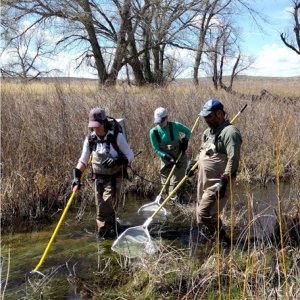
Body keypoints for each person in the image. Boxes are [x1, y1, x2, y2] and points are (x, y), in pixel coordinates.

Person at [72, 108, 134, 238]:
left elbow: (130, 154)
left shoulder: (117, 137)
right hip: (98, 180)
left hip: (114, 178)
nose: (95, 129)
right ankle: (113, 230)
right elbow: (83, 160)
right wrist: (76, 176)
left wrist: (116, 161)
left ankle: (103, 237)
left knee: (102, 211)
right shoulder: (90, 139)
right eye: (93, 127)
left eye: (98, 126)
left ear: (104, 123)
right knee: (105, 208)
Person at [186, 99, 242, 241]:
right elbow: (204, 153)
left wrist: (224, 180)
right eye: (204, 117)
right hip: (204, 181)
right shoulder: (207, 133)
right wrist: (194, 163)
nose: (206, 120)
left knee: (204, 213)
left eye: (208, 116)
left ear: (219, 114)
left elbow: (233, 159)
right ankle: (217, 237)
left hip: (220, 182)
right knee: (207, 214)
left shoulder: (230, 133)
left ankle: (222, 238)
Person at [149, 107, 191, 200]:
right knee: (166, 187)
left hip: (180, 159)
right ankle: (172, 200)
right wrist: (168, 158)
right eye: (158, 121)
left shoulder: (175, 125)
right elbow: (156, 149)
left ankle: (176, 201)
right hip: (166, 161)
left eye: (161, 121)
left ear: (167, 117)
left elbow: (188, 131)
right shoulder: (153, 132)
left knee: (174, 186)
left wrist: (186, 141)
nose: (159, 123)